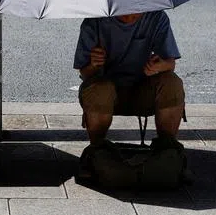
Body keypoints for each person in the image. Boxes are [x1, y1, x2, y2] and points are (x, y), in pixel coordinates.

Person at [74, 12, 185, 147]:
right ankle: (97, 150)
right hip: (104, 94)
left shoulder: (156, 17)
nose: (129, 18)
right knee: (99, 89)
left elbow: (170, 64)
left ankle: (168, 150)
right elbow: (85, 73)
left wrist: (159, 66)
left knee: (172, 83)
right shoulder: (94, 22)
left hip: (143, 90)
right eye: (124, 12)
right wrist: (93, 64)